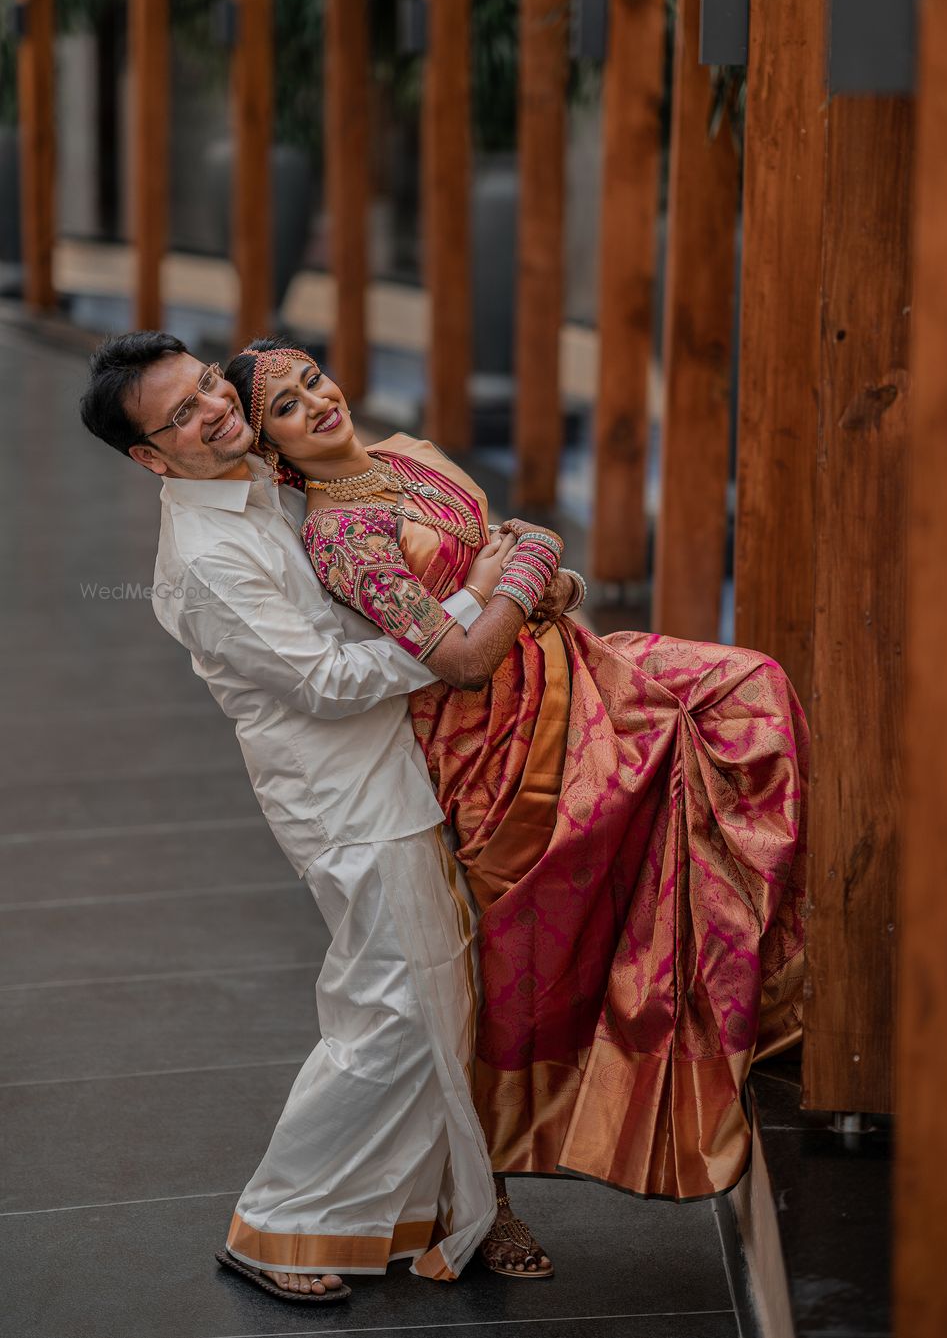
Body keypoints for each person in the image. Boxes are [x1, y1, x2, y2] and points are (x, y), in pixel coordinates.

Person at [227, 338, 810, 1208]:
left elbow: (512, 550)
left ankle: (758, 998)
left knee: (750, 689)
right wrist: (533, 564)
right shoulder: (341, 534)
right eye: (286, 408)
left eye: (312, 380)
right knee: (524, 965)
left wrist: (545, 573)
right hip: (494, 737)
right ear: (272, 451)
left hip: (569, 660)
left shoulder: (404, 452)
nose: (316, 402)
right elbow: (458, 658)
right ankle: (485, 1187)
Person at [78, 331, 553, 1306]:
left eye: (208, 385)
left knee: (427, 1003)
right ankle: (276, 1220)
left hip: (396, 772)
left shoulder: (259, 470)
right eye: (181, 415)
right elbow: (327, 678)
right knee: (389, 1006)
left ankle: (410, 1210)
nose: (214, 408)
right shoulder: (206, 558)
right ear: (150, 458)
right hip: (348, 797)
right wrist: (471, 603)